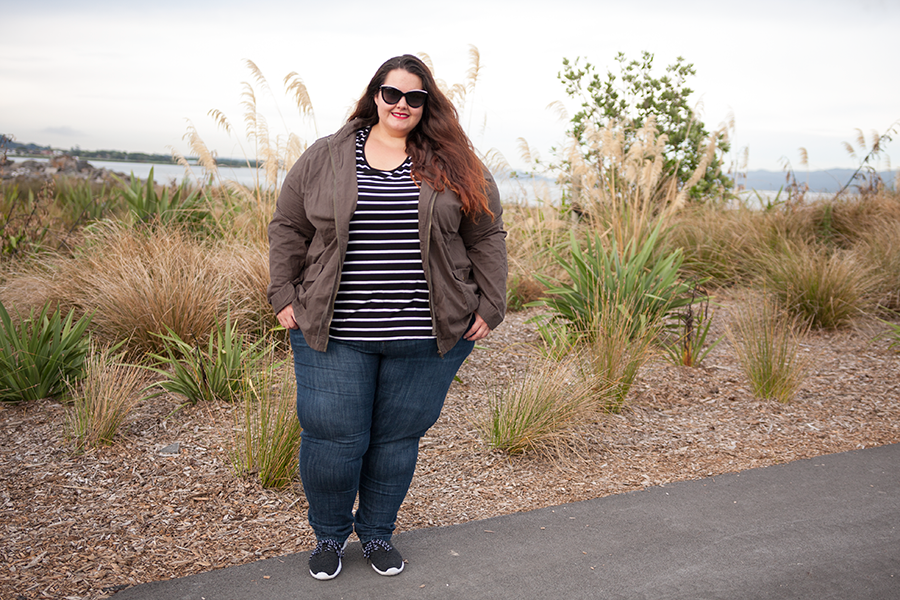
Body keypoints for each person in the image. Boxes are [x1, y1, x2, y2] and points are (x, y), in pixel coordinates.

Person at [267, 54, 507, 581]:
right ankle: (329, 536)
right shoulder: (326, 155)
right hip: (334, 331)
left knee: (396, 441)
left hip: (424, 332)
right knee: (332, 438)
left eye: (415, 97)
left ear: (428, 104)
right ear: (375, 94)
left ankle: (377, 533)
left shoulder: (457, 162)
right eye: (392, 93)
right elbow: (288, 224)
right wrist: (283, 292)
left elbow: (485, 234)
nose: (402, 105)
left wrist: (493, 304)